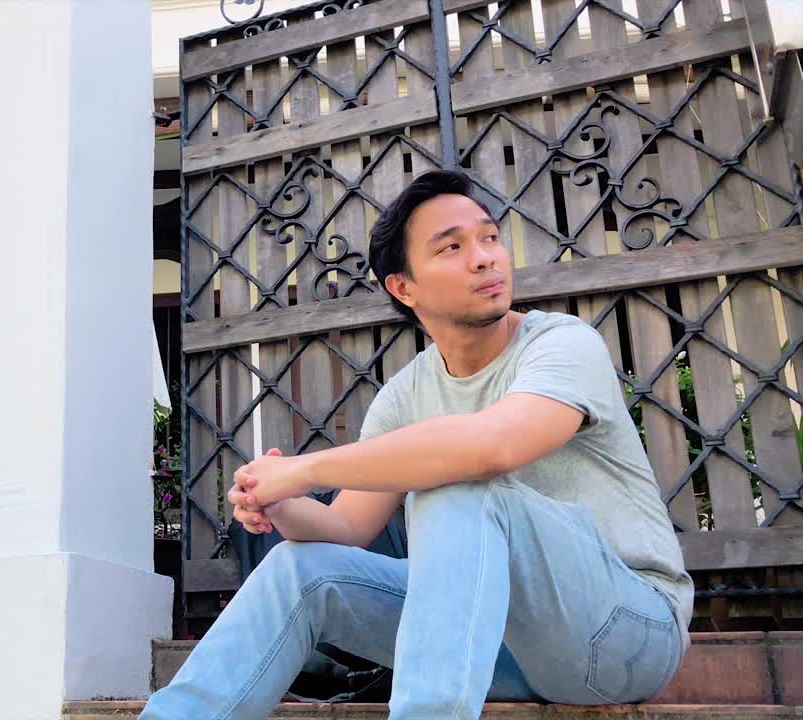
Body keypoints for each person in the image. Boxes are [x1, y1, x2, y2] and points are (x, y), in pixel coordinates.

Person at [140, 170, 694, 720]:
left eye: (489, 237)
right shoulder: (406, 394)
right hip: (499, 645)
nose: (484, 258)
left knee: (458, 487)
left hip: (626, 631)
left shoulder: (562, 344)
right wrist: (279, 502)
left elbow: (494, 447)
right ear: (403, 287)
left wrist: (304, 470)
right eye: (452, 247)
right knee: (299, 569)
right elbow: (347, 527)